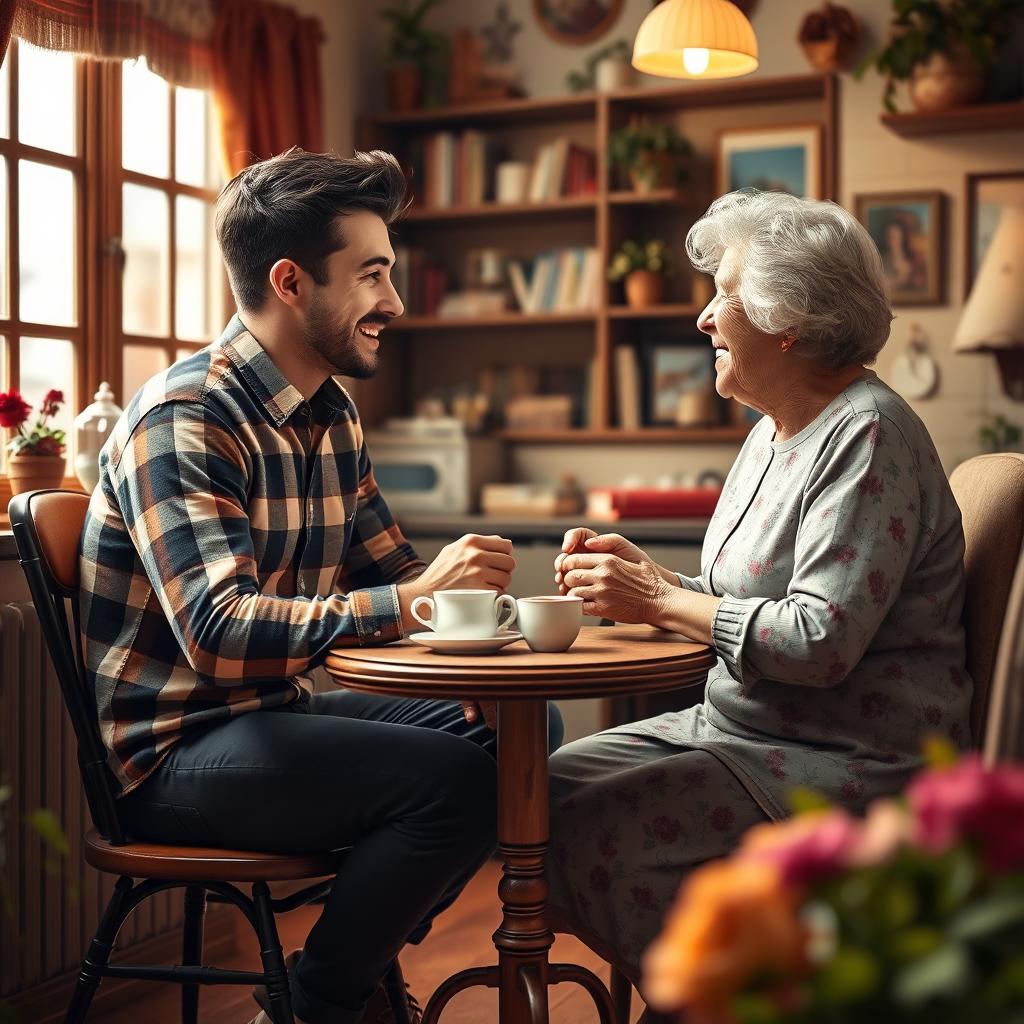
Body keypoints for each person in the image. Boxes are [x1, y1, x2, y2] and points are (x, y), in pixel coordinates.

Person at [78, 148, 563, 1024]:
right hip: (173, 752)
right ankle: (322, 1002)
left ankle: (345, 973)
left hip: (274, 717)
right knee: (451, 786)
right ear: (292, 282)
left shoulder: (329, 412)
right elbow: (218, 634)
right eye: (372, 275)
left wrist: (495, 636)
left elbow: (394, 573)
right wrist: (414, 604)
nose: (396, 303)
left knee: (523, 730)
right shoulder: (186, 416)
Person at [545, 189, 972, 998]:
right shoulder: (773, 430)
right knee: (554, 783)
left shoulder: (868, 434)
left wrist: (658, 602)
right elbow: (745, 596)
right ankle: (718, 992)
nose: (704, 319)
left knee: (593, 821)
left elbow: (817, 642)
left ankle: (724, 1002)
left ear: (788, 320)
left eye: (724, 297)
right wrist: (655, 580)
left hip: (841, 754)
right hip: (746, 727)